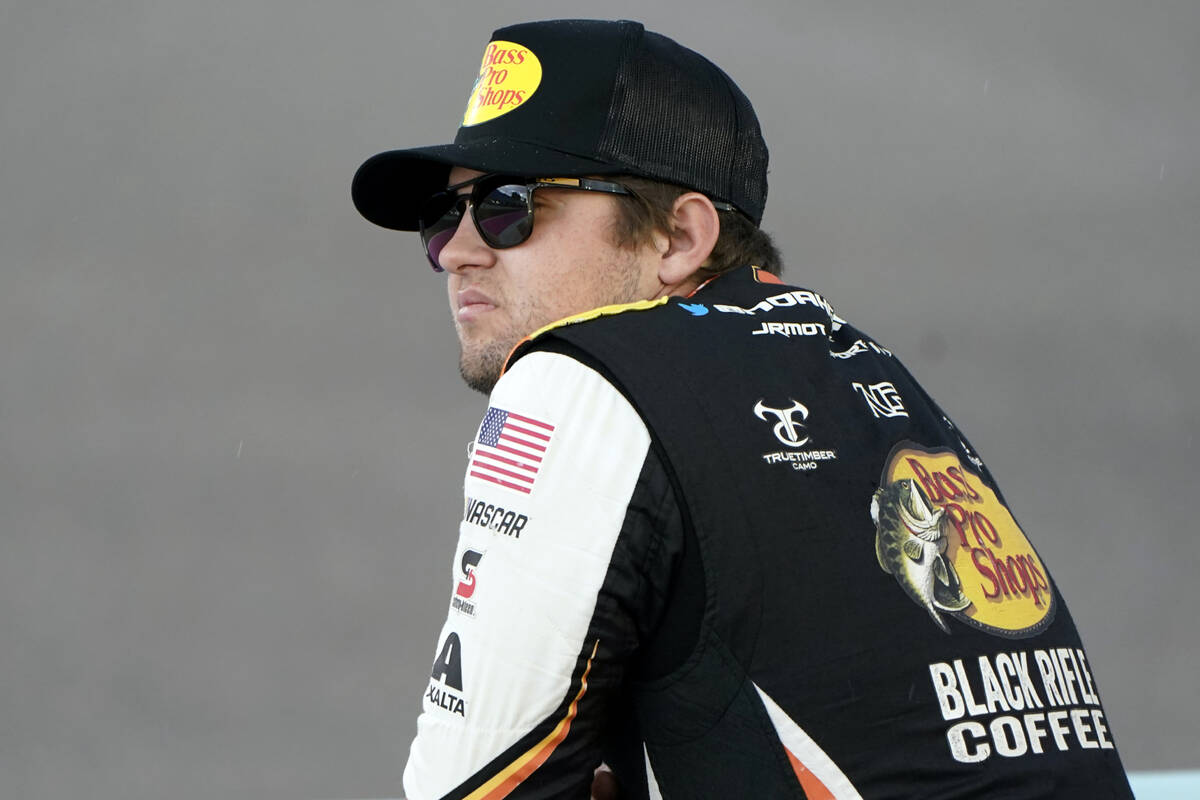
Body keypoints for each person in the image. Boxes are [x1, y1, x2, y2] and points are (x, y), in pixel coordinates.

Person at [352, 19, 1134, 800]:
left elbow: (467, 789)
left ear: (679, 237)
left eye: (507, 207)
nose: (457, 250)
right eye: (441, 216)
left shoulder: (575, 377)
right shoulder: (875, 377)